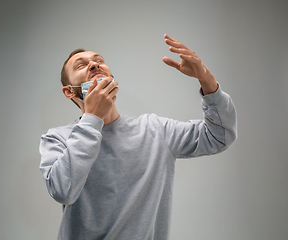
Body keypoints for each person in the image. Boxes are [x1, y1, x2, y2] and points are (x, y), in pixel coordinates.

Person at [39, 34, 237, 240]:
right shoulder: (57, 139)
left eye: (99, 61)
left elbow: (220, 136)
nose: (93, 65)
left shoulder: (156, 130)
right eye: (81, 65)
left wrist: (206, 79)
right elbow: (63, 191)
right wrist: (92, 118)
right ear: (69, 92)